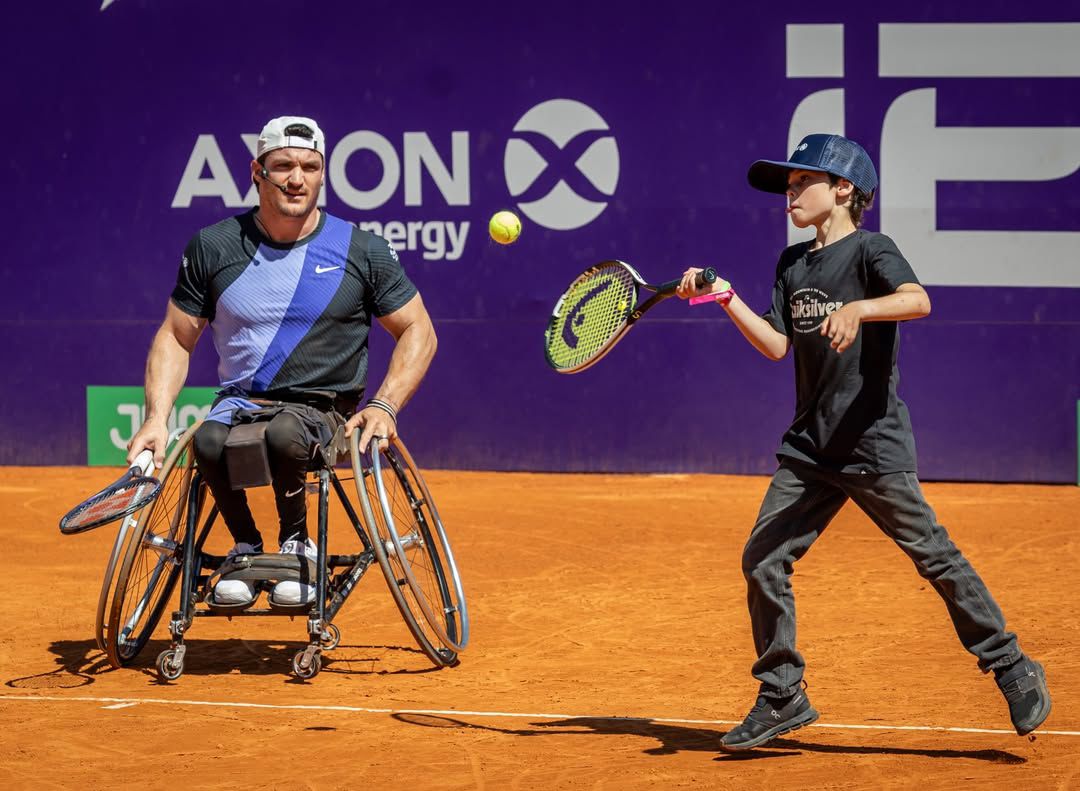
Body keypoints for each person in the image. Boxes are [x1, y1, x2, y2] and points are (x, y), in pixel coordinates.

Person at [677, 134, 1051, 751]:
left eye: (801, 183)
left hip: (871, 444)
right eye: (788, 186)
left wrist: (859, 310)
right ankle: (782, 692)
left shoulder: (873, 250)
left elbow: (918, 300)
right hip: (810, 451)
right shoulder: (791, 264)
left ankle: (1010, 664)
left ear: (843, 189)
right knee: (763, 560)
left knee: (933, 556)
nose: (789, 195)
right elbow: (776, 344)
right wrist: (725, 298)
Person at [127, 115, 436, 607]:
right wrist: (155, 418)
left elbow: (419, 329)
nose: (297, 178)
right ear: (257, 171)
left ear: (322, 173)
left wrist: (385, 404)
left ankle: (298, 545)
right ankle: (246, 547)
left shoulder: (362, 250)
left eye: (310, 167)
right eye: (284, 165)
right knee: (207, 438)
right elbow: (176, 336)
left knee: (285, 433)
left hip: (324, 411)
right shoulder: (214, 246)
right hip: (241, 404)